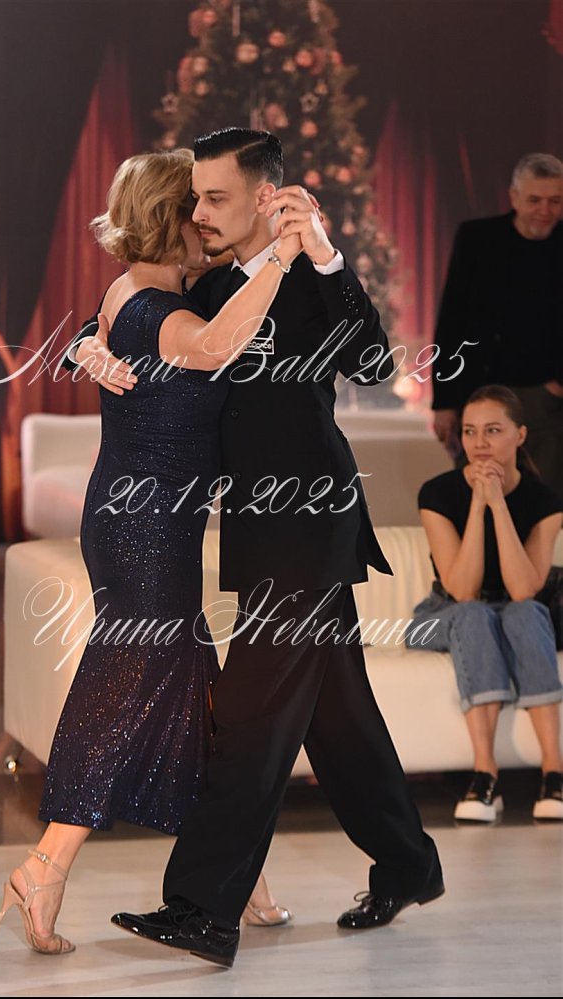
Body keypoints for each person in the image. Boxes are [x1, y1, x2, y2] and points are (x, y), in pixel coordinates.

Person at [66, 128, 445, 970]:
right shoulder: (208, 282)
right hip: (262, 526)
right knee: (339, 719)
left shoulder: (307, 273)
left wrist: (328, 255)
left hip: (307, 523)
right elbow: (128, 314)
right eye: (195, 198)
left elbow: (371, 360)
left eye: (215, 198)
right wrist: (84, 345)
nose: (199, 212)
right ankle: (410, 864)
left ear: (265, 197)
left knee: (249, 714)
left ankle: (203, 908)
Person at [0, 147, 304, 954]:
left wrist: (82, 346)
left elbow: (110, 333)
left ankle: (238, 877)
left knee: (200, 699)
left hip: (147, 523)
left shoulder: (143, 293)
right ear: (174, 215)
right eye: (197, 205)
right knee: (122, 688)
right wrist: (280, 254)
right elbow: (214, 347)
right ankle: (45, 863)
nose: (207, 217)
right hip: (145, 530)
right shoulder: (154, 308)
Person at [406, 384, 563, 822]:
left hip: (515, 611)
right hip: (445, 614)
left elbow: (524, 590)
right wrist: (478, 507)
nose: (479, 443)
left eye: (493, 430)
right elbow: (462, 591)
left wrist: (499, 505)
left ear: (520, 435)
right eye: (470, 431)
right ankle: (484, 776)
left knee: (526, 613)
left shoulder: (545, 500)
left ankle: (554, 774)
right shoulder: (437, 494)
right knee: (475, 614)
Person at [431, 153, 563, 502]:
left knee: (546, 500)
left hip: (547, 398)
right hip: (479, 389)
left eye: (555, 201)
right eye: (534, 200)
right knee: (478, 494)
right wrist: (444, 401)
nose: (545, 210)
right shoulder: (478, 238)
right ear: (514, 197)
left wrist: (556, 386)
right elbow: (452, 319)